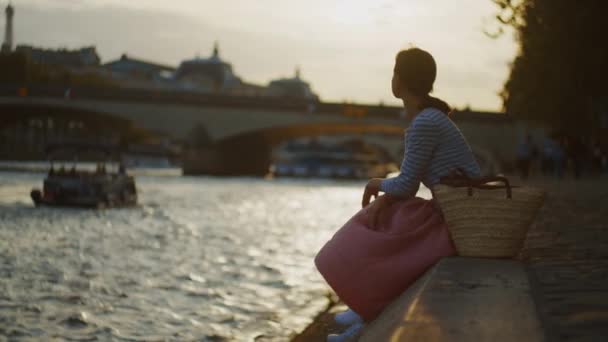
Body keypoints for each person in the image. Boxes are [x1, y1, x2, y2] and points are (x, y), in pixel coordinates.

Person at [315, 47, 481, 341]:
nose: (391, 77)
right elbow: (409, 182)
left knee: (378, 224)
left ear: (401, 79)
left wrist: (375, 185)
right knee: (388, 213)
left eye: (394, 72)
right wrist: (386, 197)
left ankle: (364, 304)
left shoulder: (425, 122)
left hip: (461, 218)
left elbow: (405, 185)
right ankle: (364, 311)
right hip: (459, 210)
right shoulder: (430, 118)